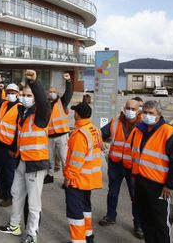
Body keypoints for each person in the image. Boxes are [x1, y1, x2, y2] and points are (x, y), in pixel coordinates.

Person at [0, 70, 51, 243]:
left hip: (35, 164)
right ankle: (14, 225)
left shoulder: (40, 116)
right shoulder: (24, 114)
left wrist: (35, 82)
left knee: (34, 203)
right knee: (16, 193)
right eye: (23, 94)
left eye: (29, 95)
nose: (25, 97)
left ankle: (32, 234)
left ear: (35, 98)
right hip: (22, 161)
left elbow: (44, 103)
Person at [125, 100, 173, 243]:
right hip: (141, 183)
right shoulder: (139, 130)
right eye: (145, 113)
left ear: (159, 115)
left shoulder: (170, 133)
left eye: (151, 113)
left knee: (159, 224)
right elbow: (135, 154)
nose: (147, 116)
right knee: (145, 220)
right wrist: (134, 176)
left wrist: (170, 185)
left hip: (159, 188)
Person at [98, 99, 143, 239]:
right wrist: (101, 144)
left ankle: (138, 225)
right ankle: (110, 216)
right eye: (127, 108)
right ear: (124, 108)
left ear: (139, 110)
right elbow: (99, 133)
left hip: (133, 167)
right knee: (112, 192)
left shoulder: (144, 125)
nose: (130, 111)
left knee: (135, 197)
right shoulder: (115, 122)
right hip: (115, 163)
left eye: (133, 109)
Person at [63, 102, 103, 243]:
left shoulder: (80, 134)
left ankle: (78, 240)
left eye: (75, 112)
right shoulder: (94, 129)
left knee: (75, 212)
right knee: (86, 208)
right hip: (89, 179)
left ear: (77, 114)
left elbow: (76, 160)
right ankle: (88, 236)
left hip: (78, 180)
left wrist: (68, 177)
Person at [45, 72, 73, 184]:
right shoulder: (45, 104)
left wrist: (68, 81)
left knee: (64, 158)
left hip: (62, 135)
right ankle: (50, 175)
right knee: (49, 158)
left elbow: (69, 93)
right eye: (50, 91)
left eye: (54, 92)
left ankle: (67, 179)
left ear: (57, 93)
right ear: (47, 93)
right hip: (49, 136)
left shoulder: (62, 102)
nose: (52, 93)